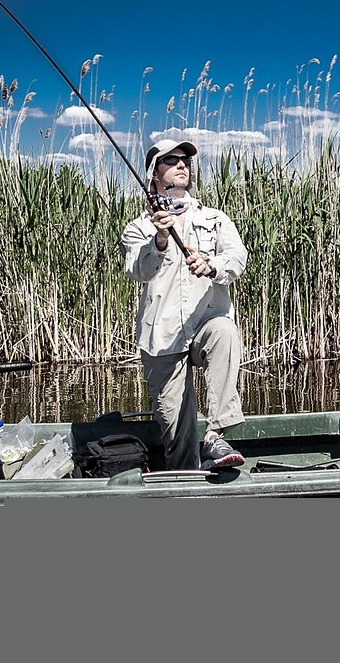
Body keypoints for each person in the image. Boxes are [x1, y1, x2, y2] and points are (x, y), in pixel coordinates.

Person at [121, 139, 250, 471]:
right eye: (171, 160)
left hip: (205, 322)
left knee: (224, 331)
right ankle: (186, 479)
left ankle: (216, 435)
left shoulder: (215, 218)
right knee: (177, 436)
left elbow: (237, 258)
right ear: (154, 175)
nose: (182, 164)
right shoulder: (138, 228)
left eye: (185, 160)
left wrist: (211, 265)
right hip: (162, 338)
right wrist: (161, 239)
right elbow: (139, 270)